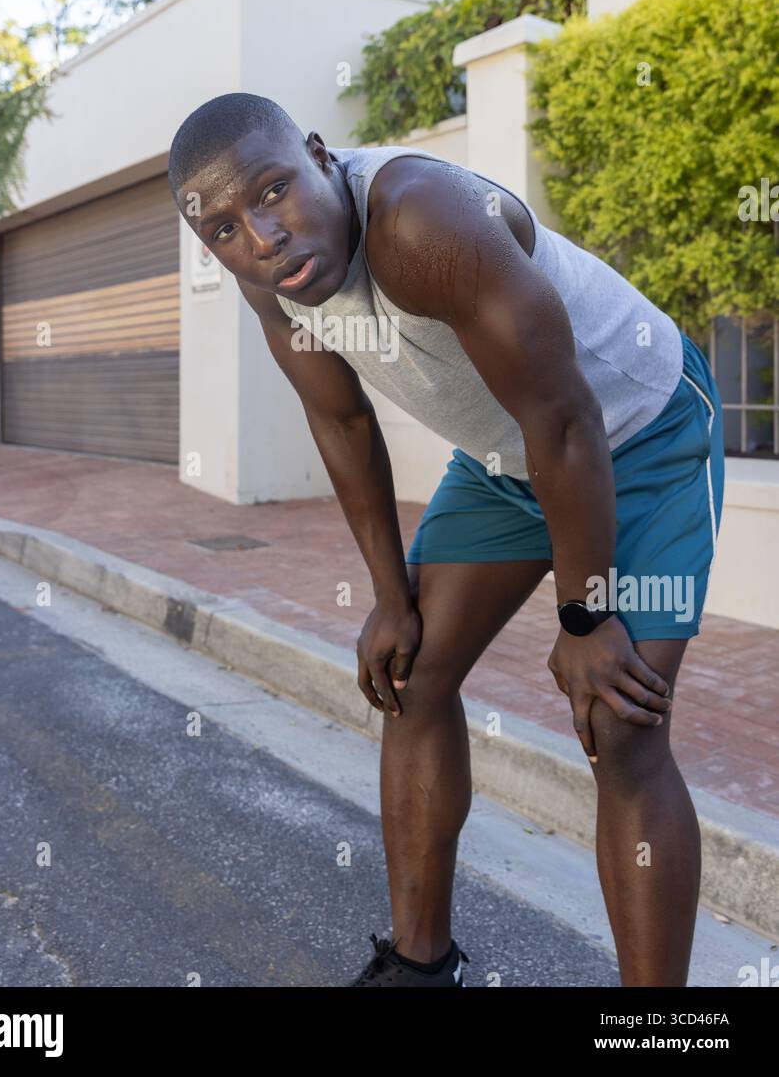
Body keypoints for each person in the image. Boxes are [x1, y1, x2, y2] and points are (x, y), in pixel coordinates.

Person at [168, 91, 725, 988]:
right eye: (224, 230)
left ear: (317, 154)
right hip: (509, 455)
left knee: (620, 723)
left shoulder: (419, 218)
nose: (259, 236)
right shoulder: (268, 277)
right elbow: (341, 423)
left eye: (273, 191)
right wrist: (390, 599)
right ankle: (420, 968)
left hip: (640, 435)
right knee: (411, 675)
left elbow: (568, 419)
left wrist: (586, 621)